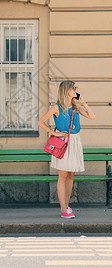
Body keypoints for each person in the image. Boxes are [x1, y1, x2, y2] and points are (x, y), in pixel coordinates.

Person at [38, 81, 96, 219]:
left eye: (76, 88)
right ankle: (63, 208)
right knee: (63, 176)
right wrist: (54, 133)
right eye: (73, 88)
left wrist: (83, 103)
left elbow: (92, 116)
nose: (76, 90)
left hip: (75, 142)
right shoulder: (57, 107)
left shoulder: (75, 107)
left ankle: (67, 205)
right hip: (63, 143)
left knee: (71, 175)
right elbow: (41, 122)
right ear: (66, 91)